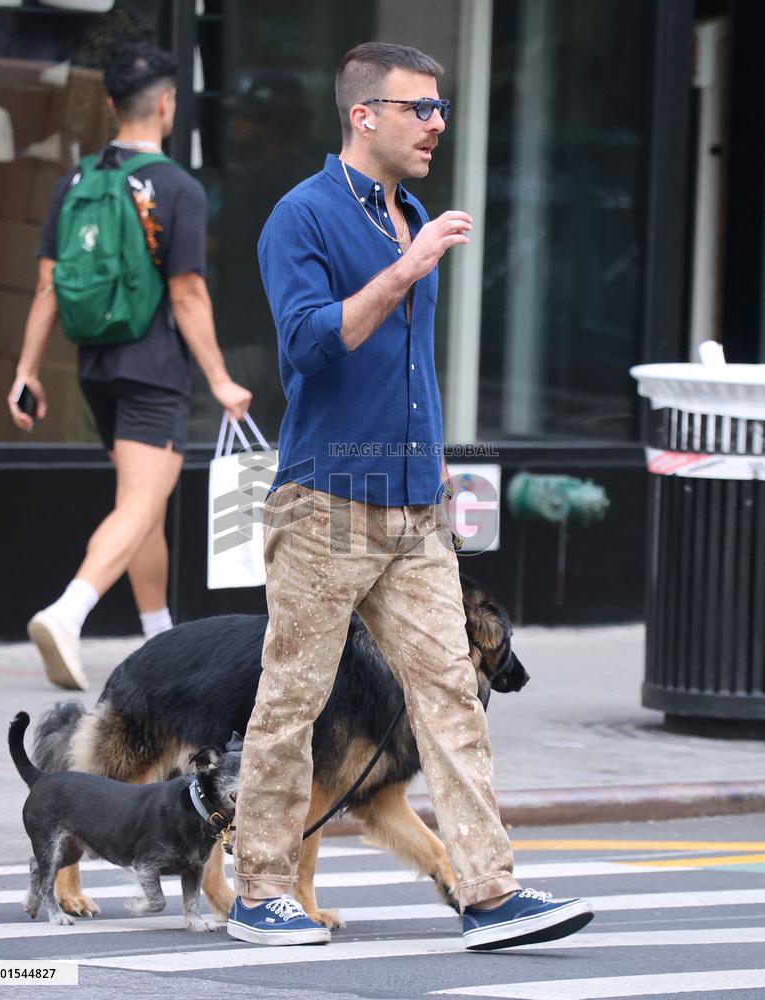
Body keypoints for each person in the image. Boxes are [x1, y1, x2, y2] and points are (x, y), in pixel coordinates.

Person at [226, 42, 594, 951]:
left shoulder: (410, 210)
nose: (436, 124)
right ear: (364, 115)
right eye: (419, 109)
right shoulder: (302, 216)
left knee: (451, 698)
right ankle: (258, 892)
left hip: (412, 509)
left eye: (439, 109)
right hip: (325, 506)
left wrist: (434, 473)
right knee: (292, 704)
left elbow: (411, 369)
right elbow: (312, 347)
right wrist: (408, 266)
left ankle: (489, 891)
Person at [8, 44, 251, 692]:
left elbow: (47, 289)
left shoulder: (76, 181)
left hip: (96, 367)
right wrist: (222, 380)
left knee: (137, 505)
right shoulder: (178, 188)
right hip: (154, 370)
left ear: (112, 104)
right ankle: (69, 612)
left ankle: (159, 637)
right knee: (144, 503)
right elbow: (187, 294)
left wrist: (26, 371)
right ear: (168, 105)